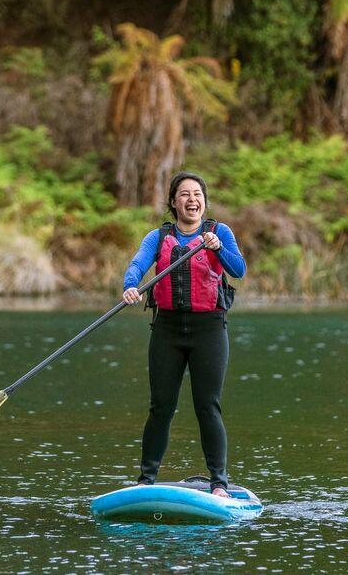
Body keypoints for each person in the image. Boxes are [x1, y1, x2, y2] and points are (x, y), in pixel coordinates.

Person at [121, 171, 246, 497]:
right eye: (185, 194)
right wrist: (130, 286)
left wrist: (218, 248)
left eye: (197, 194)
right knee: (160, 406)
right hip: (167, 330)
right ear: (174, 203)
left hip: (209, 331)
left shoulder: (220, 233)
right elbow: (137, 264)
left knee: (208, 405)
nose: (192, 199)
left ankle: (219, 483)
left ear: (204, 201)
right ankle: (145, 480)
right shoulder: (158, 238)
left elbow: (239, 269)